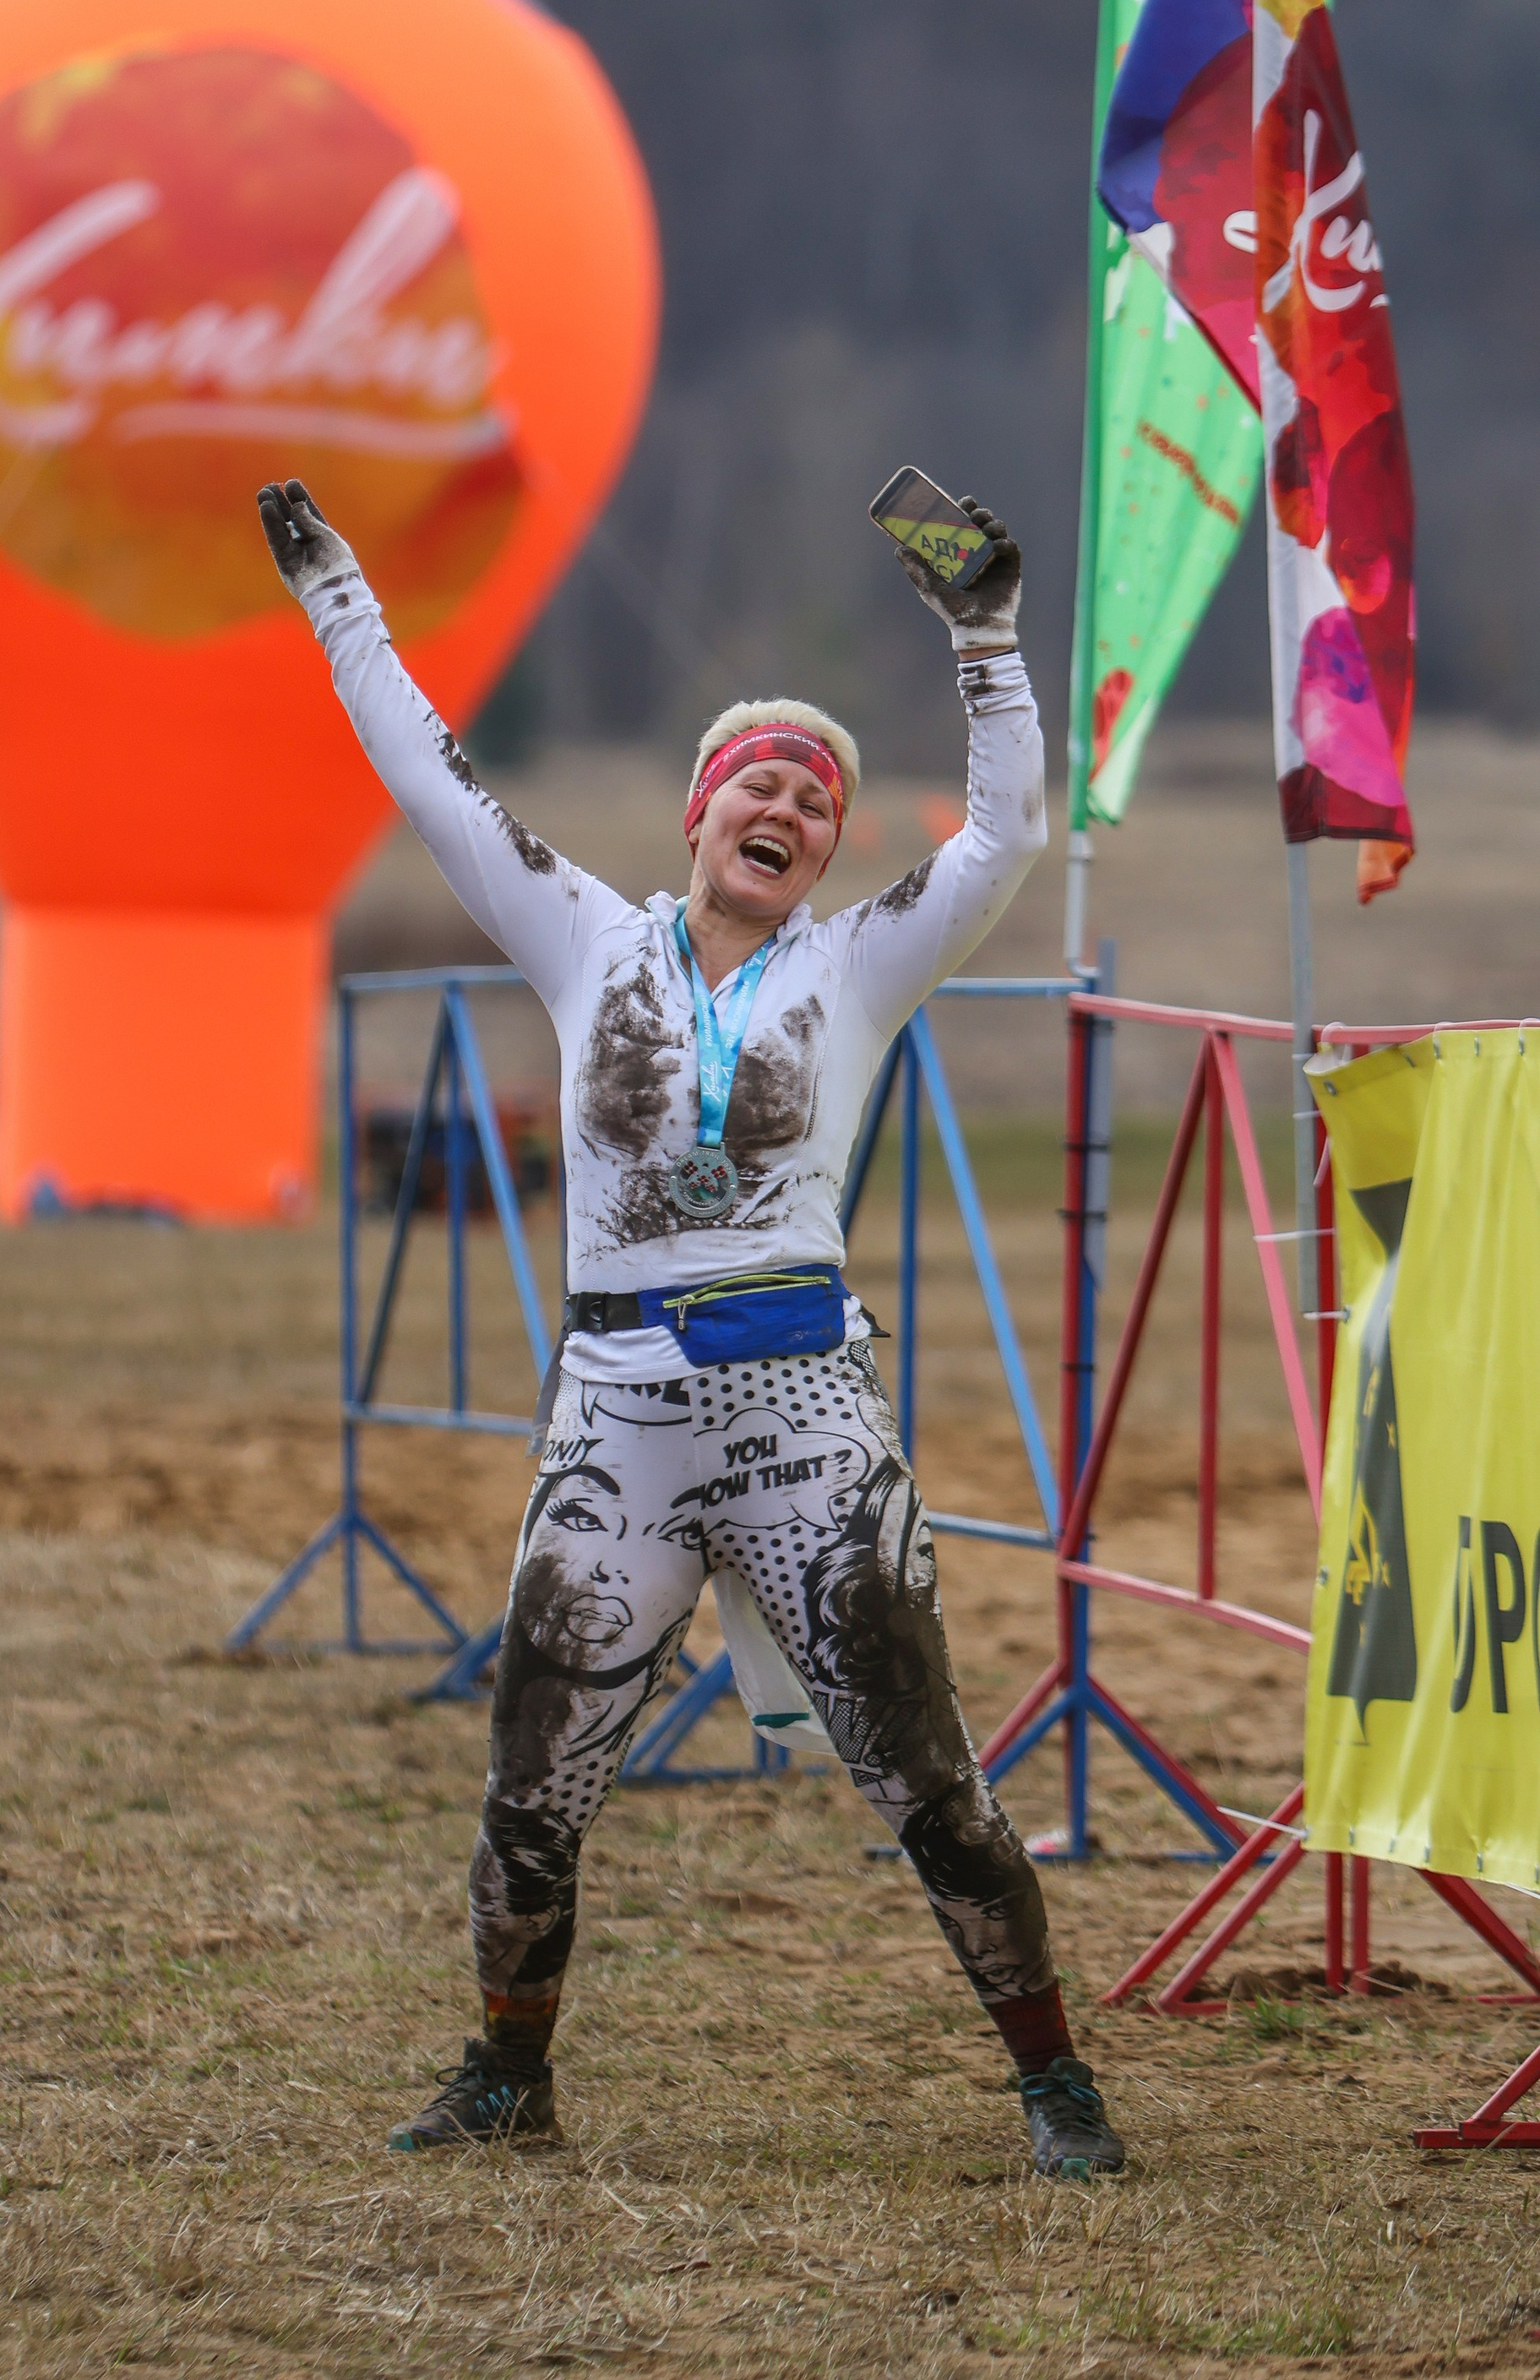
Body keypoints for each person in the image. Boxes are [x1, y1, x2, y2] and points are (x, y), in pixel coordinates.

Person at [256, 474, 1125, 2182]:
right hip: (616, 1416)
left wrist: (984, 638)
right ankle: (507, 2079)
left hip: (807, 1413)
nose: (788, 802)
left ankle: (1055, 2087)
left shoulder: (859, 965)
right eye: (759, 781)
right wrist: (339, 597)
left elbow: (1008, 836)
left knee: (921, 1777)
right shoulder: (579, 938)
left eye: (815, 795)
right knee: (535, 1770)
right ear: (695, 812)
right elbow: (427, 775)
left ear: (823, 848)